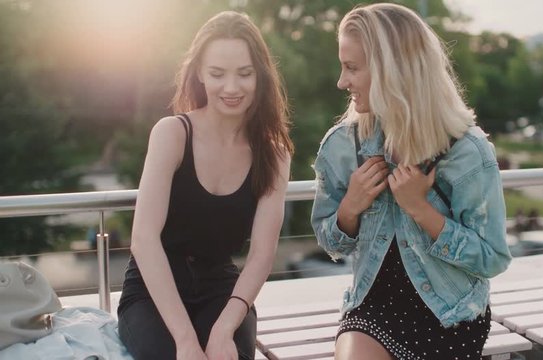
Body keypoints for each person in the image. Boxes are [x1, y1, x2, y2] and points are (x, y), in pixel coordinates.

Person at [310, 4, 511, 359]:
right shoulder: (342, 145)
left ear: (393, 70)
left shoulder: (467, 152)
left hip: (450, 316)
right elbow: (332, 244)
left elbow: (492, 258)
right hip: (370, 311)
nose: (342, 82)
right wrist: (349, 208)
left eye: (352, 68)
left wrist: (421, 209)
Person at [117, 11, 292, 360]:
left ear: (260, 76)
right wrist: (184, 340)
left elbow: (261, 254)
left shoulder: (274, 153)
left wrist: (226, 327)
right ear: (199, 73)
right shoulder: (172, 134)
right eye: (217, 74)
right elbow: (144, 239)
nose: (231, 87)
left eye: (244, 74)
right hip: (154, 291)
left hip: (222, 292)